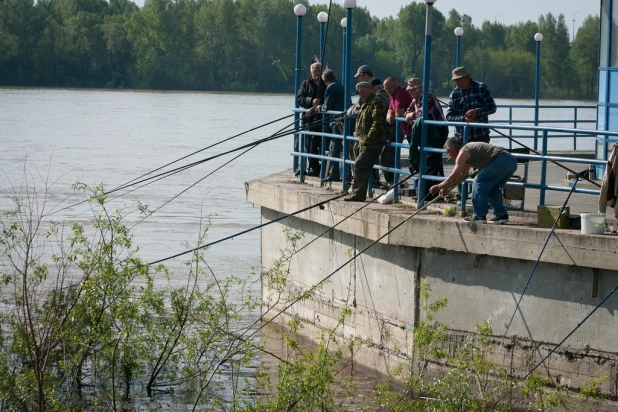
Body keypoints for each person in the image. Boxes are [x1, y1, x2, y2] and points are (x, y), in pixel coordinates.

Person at [429, 137, 517, 223]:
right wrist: (446, 187)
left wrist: (439, 186)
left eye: (448, 152)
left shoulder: (463, 152)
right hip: (511, 162)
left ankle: (479, 215)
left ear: (454, 148)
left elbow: (456, 173)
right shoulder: (467, 152)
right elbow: (462, 176)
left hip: (501, 160)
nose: (449, 155)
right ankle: (501, 215)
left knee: (478, 182)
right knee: (492, 188)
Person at [404, 77, 447, 198]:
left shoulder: (428, 97)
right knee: (432, 160)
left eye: (412, 90)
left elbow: (420, 114)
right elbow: (407, 112)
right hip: (428, 132)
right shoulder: (415, 100)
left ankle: (428, 193)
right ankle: (437, 190)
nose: (410, 92)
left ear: (420, 89)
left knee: (431, 159)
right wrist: (409, 114)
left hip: (438, 130)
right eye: (409, 90)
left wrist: (410, 115)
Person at [345, 81, 387, 202]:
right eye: (359, 93)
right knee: (359, 166)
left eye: (363, 92)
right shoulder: (365, 103)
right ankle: (358, 192)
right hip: (362, 141)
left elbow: (377, 122)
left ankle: (358, 194)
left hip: (373, 143)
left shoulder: (376, 101)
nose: (361, 95)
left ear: (369, 89)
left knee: (360, 165)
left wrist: (369, 138)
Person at [311, 69, 351, 182]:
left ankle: (334, 173)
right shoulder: (341, 85)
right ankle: (347, 173)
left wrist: (318, 108)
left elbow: (327, 107)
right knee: (347, 147)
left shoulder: (331, 87)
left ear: (324, 80)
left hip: (337, 121)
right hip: (345, 120)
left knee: (334, 147)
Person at [446, 67, 496, 143]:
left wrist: (477, 112)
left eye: (459, 79)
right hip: (461, 139)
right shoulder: (454, 94)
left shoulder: (481, 88)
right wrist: (463, 119)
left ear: (467, 77)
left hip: (481, 137)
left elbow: (492, 107)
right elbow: (449, 116)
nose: (457, 83)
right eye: (455, 80)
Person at [296, 62, 326, 176]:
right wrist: (311, 101)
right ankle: (314, 167)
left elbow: (328, 99)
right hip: (309, 119)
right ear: (311, 71)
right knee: (310, 144)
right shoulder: (305, 84)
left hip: (322, 119)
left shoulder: (325, 84)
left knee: (323, 143)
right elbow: (300, 99)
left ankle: (324, 167)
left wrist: (320, 103)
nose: (317, 72)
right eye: (314, 70)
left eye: (318, 70)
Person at [371, 78, 396, 186]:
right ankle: (392, 181)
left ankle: (389, 182)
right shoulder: (389, 94)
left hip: (386, 131)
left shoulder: (379, 95)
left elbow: (377, 113)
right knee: (390, 157)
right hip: (393, 130)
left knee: (382, 158)